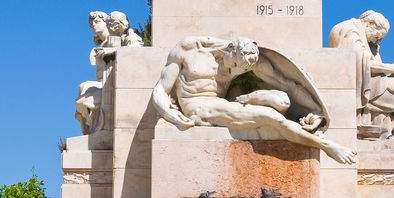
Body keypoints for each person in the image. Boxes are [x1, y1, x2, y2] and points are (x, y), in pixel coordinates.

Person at [152, 36, 356, 165]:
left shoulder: (246, 59)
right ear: (229, 49)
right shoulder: (188, 49)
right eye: (232, 66)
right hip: (198, 106)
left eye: (240, 70)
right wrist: (170, 114)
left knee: (282, 100)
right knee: (270, 116)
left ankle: (257, 104)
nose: (232, 72)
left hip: (223, 102)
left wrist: (315, 111)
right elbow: (160, 89)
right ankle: (327, 146)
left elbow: (287, 83)